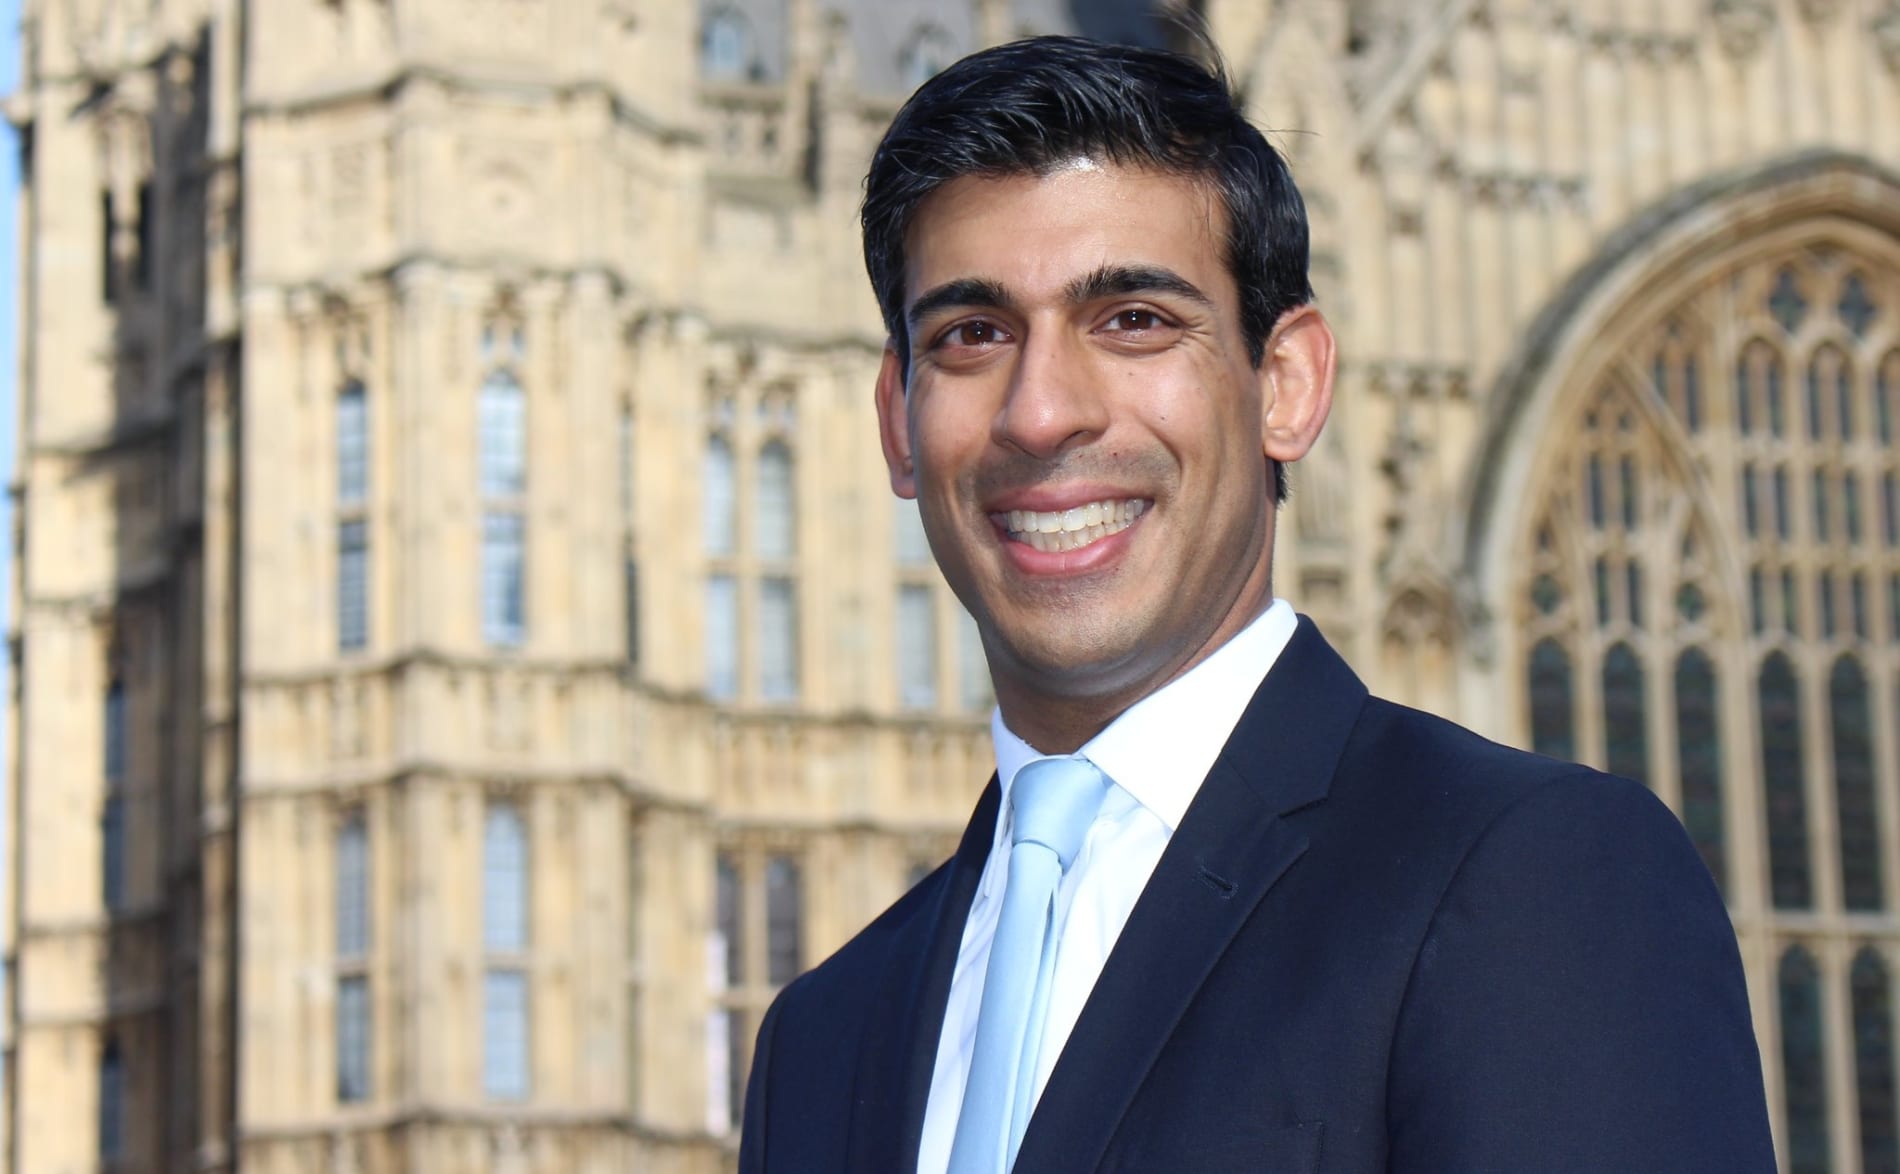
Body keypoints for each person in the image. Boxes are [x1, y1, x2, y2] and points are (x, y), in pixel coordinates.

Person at [740, 35, 1774, 1174]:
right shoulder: (821, 1038)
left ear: (1285, 385)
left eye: (1132, 319)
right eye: (973, 334)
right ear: (898, 418)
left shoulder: (1533, 880)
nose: (1041, 414)